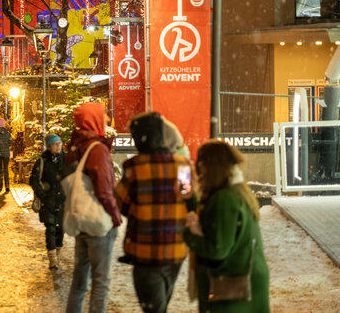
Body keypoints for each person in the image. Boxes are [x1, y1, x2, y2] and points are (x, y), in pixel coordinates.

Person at [115, 112, 193, 313]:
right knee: (161, 304)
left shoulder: (134, 168)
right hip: (175, 250)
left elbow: (120, 203)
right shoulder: (183, 166)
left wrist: (144, 210)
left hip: (145, 252)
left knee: (153, 308)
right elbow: (189, 199)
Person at [184, 140, 270, 313]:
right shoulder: (236, 191)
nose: (200, 172)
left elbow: (217, 249)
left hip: (232, 288)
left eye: (201, 165)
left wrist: (188, 234)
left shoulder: (225, 199)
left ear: (211, 167)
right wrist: (191, 199)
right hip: (243, 282)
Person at [65, 102, 123, 313]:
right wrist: (116, 217)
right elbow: (105, 189)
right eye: (103, 116)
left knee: (79, 282)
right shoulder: (96, 149)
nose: (107, 119)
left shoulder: (76, 145)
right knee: (101, 283)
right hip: (98, 222)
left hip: (83, 220)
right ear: (94, 120)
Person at [30, 133, 67, 270]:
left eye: (59, 144)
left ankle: (57, 253)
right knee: (50, 229)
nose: (58, 147)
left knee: (60, 229)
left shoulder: (66, 159)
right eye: (55, 144)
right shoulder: (43, 161)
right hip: (48, 201)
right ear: (49, 146)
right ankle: (53, 259)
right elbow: (34, 180)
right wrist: (43, 194)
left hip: (62, 201)